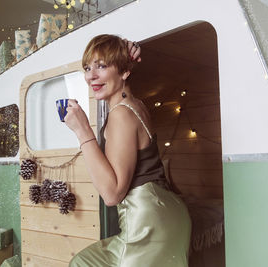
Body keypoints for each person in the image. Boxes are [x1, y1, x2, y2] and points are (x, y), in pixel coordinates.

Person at [64, 34, 191, 267]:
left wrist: (83, 131)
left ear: (124, 72)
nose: (91, 76)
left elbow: (112, 195)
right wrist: (125, 53)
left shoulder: (120, 114)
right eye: (87, 67)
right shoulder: (136, 104)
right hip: (167, 212)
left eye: (101, 66)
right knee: (82, 262)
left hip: (148, 221)